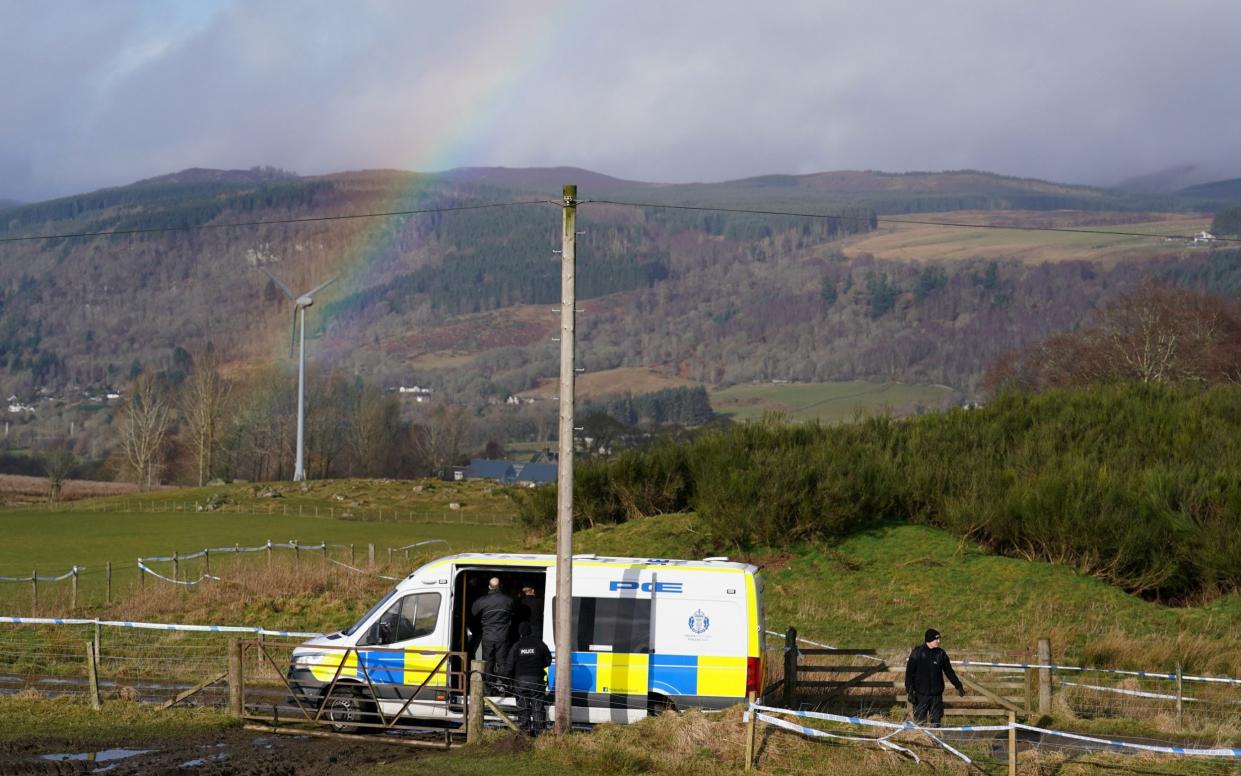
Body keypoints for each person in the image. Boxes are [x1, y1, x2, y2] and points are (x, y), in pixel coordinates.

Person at [904, 628, 965, 726]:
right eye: (936, 639)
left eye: (939, 639)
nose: (939, 641)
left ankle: (936, 740)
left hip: (936, 696)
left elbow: (949, 671)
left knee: (936, 723)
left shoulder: (941, 654)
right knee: (920, 723)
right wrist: (909, 691)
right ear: (929, 640)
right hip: (921, 695)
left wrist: (958, 685)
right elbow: (909, 673)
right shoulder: (917, 653)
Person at [470, 576, 516, 695]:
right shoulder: (509, 600)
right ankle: (503, 687)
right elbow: (516, 611)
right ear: (500, 586)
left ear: (489, 586)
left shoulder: (482, 601)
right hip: (503, 636)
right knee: (502, 662)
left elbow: (474, 612)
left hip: (488, 636)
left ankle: (489, 688)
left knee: (488, 662)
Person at [507, 621, 552, 735]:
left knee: (523, 707)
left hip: (520, 681)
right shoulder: (540, 644)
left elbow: (509, 666)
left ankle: (524, 733)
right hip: (537, 680)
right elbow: (548, 661)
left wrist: (507, 679)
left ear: (520, 633)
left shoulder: (517, 645)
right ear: (531, 631)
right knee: (537, 707)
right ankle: (540, 733)